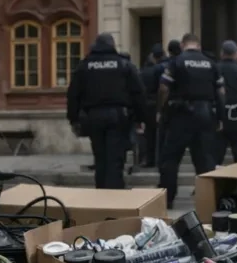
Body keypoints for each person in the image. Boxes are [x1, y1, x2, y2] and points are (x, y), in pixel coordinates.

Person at [68, 33, 146, 190]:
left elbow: (73, 94)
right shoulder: (124, 65)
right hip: (119, 117)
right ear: (112, 45)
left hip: (93, 117)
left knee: (100, 158)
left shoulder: (84, 66)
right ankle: (115, 197)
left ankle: (101, 194)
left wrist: (74, 119)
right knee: (115, 159)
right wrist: (140, 119)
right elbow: (138, 93)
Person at [157, 33, 224, 207]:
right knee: (205, 160)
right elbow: (221, 92)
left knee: (170, 159)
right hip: (205, 115)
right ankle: (208, 201)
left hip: (180, 114)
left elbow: (164, 87)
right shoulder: (211, 63)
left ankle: (168, 199)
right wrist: (220, 116)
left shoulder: (176, 61)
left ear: (182, 44)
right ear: (199, 46)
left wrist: (162, 110)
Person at [140, 44, 166, 168]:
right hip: (159, 104)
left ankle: (148, 159)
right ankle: (159, 159)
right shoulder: (162, 69)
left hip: (147, 105)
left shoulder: (144, 71)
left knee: (149, 134)